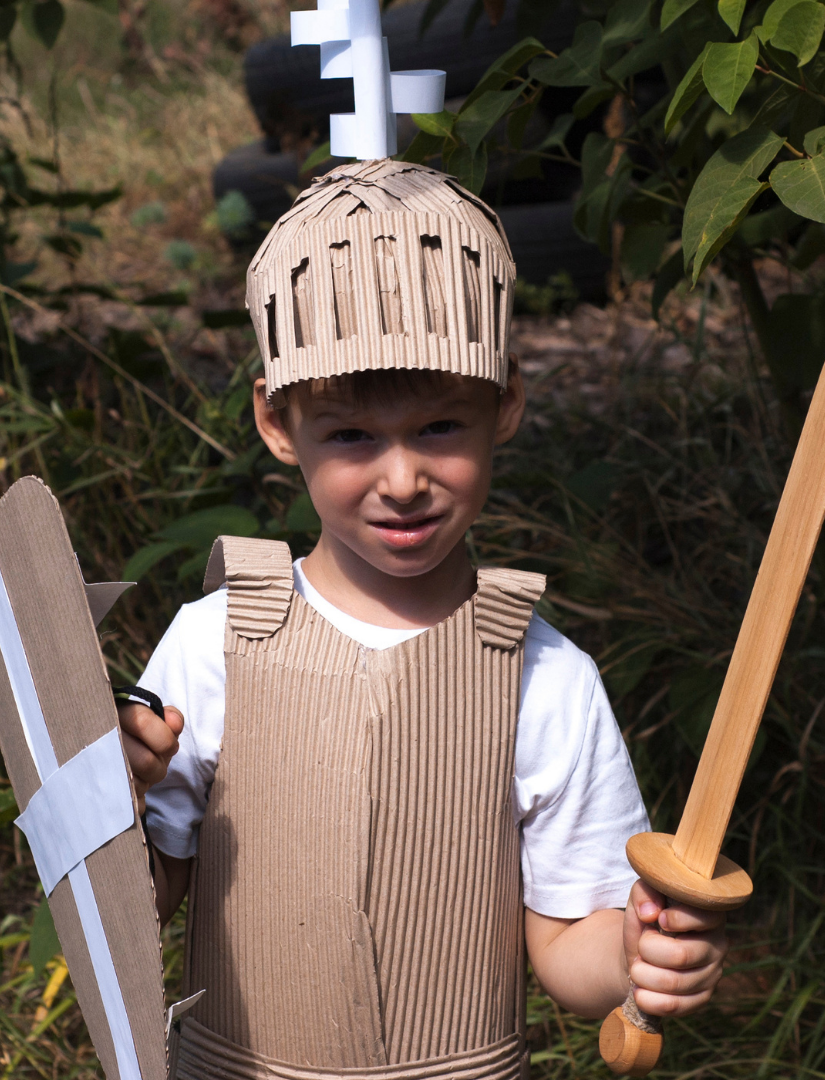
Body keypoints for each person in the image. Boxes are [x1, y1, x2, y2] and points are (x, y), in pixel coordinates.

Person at [116, 160, 728, 1076]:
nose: (403, 480)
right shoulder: (215, 644)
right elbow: (142, 900)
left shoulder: (543, 678)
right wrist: (112, 803)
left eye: (440, 426)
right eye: (353, 435)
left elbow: (571, 948)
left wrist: (642, 958)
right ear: (278, 422)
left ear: (505, 402)